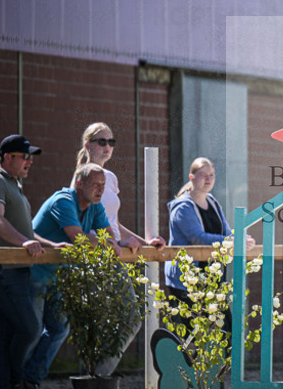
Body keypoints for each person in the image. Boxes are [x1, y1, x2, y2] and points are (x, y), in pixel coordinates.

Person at [0, 135, 63, 389]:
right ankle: (14, 386)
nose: (29, 161)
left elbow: (26, 232)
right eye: (24, 156)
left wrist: (50, 245)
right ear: (7, 158)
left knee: (8, 333)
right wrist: (24, 242)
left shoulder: (14, 184)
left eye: (30, 157)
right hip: (2, 271)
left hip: (16, 272)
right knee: (30, 328)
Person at [74, 122, 165, 376]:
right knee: (129, 317)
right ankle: (98, 376)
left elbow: (114, 224)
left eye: (111, 142)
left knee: (117, 318)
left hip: (114, 253)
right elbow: (83, 224)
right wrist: (112, 243)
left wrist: (145, 243)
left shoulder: (110, 178)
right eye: (101, 142)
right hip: (97, 255)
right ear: (87, 145)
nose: (107, 147)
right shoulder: (81, 178)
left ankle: (97, 376)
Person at [28, 163, 115, 389]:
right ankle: (17, 386)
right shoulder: (64, 201)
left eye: (103, 185)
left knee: (59, 328)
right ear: (79, 184)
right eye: (95, 184)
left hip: (60, 276)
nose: (100, 189)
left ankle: (30, 381)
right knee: (31, 330)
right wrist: (100, 241)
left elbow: (110, 239)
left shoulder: (95, 206)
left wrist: (109, 242)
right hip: (35, 274)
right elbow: (78, 239)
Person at [166, 157, 252, 333]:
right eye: (203, 175)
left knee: (227, 332)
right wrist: (229, 242)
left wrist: (240, 239)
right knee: (191, 335)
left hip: (213, 280)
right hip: (187, 282)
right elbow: (198, 238)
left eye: (211, 175)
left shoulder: (212, 202)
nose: (208, 179)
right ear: (191, 177)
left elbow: (225, 231)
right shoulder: (182, 207)